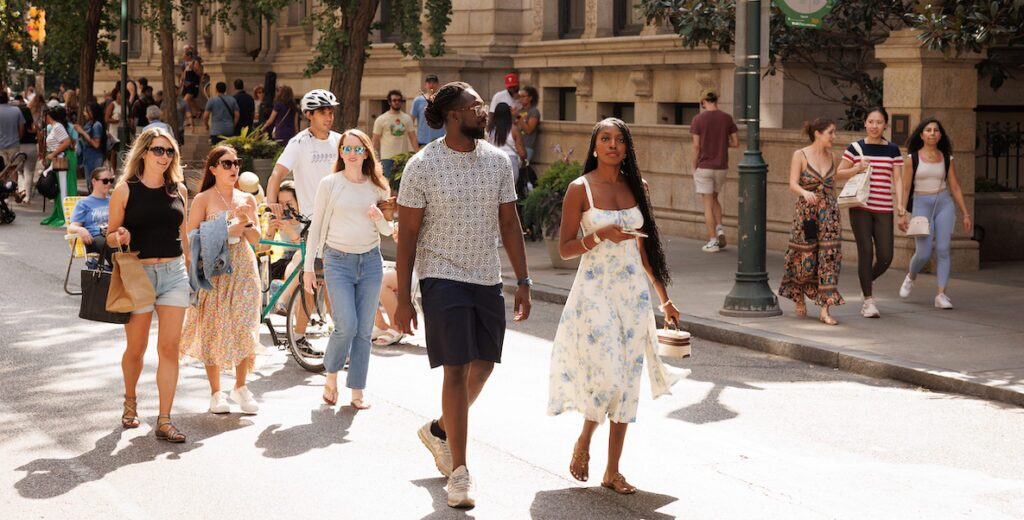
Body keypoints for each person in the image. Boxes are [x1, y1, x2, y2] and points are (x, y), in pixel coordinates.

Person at [394, 81, 531, 509]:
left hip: (485, 277)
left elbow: (509, 225)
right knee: (454, 368)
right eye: (476, 106)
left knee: (484, 365)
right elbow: (408, 235)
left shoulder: (497, 162)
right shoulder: (422, 166)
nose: (484, 111)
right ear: (454, 117)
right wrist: (402, 296)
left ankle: (439, 429)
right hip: (440, 276)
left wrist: (523, 281)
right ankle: (460, 473)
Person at [548, 118, 682, 495]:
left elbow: (644, 251)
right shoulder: (580, 189)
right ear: (594, 146)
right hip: (594, 294)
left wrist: (665, 299)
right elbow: (565, 248)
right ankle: (584, 438)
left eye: (619, 140)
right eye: (605, 139)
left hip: (633, 297)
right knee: (608, 372)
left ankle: (612, 471)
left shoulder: (637, 187)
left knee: (626, 383)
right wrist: (599, 236)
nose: (612, 145)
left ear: (626, 148)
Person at [105, 127, 191, 443]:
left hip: (173, 275)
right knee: (137, 348)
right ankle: (130, 402)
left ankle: (165, 420)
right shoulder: (125, 190)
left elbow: (184, 236)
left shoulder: (179, 190)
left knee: (169, 348)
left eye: (169, 152)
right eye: (158, 150)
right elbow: (110, 235)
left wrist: (191, 270)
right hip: (138, 274)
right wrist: (120, 236)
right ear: (143, 152)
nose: (164, 157)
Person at [304, 129, 393, 409]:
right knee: (346, 325)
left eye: (357, 149)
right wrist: (308, 268)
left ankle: (357, 389)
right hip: (337, 261)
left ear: (366, 152)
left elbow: (387, 231)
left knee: (364, 331)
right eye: (346, 149)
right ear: (340, 152)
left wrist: (379, 218)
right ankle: (331, 376)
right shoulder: (330, 184)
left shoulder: (378, 187)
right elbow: (316, 227)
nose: (352, 154)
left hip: (370, 262)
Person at [181, 145, 262, 415]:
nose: (233, 168)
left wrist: (246, 221)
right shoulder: (203, 199)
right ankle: (216, 392)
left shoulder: (247, 199)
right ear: (213, 168)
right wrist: (227, 230)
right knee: (214, 327)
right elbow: (191, 239)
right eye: (226, 164)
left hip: (243, 266)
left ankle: (240, 387)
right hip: (214, 269)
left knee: (243, 324)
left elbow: (257, 241)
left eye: (236, 163)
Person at [266, 89, 342, 352]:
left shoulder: (341, 141)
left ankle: (332, 336)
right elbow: (276, 174)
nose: (329, 116)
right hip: (314, 223)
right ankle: (300, 337)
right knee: (317, 283)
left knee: (331, 283)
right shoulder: (299, 143)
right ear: (309, 115)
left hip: (341, 222)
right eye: (323, 112)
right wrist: (270, 202)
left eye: (331, 111)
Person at [778, 118, 849, 325]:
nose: (834, 137)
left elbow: (833, 185)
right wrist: (804, 192)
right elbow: (792, 184)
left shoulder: (833, 157)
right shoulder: (799, 155)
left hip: (830, 216)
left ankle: (825, 309)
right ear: (818, 133)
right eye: (831, 133)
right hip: (806, 215)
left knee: (829, 259)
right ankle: (798, 292)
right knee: (804, 257)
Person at [836, 107, 904, 318]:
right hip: (860, 207)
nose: (875, 126)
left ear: (885, 125)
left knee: (886, 256)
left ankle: (865, 278)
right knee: (866, 252)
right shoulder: (855, 148)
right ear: (865, 123)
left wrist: (901, 205)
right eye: (871, 121)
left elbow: (898, 179)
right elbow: (838, 174)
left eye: (879, 122)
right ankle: (868, 301)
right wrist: (857, 168)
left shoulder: (893, 149)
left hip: (884, 208)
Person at [898, 117, 972, 310]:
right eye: (928, 130)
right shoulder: (912, 159)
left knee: (943, 249)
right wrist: (901, 213)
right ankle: (911, 276)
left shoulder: (947, 158)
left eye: (936, 130)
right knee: (923, 253)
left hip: (943, 204)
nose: (932, 133)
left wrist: (965, 214)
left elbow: (955, 187)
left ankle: (941, 295)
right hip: (921, 205)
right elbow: (906, 188)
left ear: (940, 135)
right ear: (921, 135)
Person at [689, 88, 738, 253]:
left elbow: (696, 146)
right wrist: (722, 144)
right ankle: (720, 229)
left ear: (703, 101)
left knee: (707, 205)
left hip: (705, 167)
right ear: (716, 100)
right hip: (721, 167)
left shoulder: (698, 120)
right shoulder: (727, 118)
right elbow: (736, 142)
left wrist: (693, 165)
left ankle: (712, 241)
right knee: (715, 198)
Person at [67, 166, 115, 267]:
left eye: (111, 180)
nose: (109, 184)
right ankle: (120, 274)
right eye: (105, 181)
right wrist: (81, 230)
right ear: (94, 181)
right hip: (95, 238)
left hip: (113, 235)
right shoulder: (83, 203)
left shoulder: (113, 201)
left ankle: (118, 273)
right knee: (110, 245)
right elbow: (72, 227)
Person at [40, 106, 77, 228]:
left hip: (61, 159)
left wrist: (52, 154)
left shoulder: (57, 127)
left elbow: (67, 142)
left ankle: (66, 217)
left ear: (47, 116)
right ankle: (64, 215)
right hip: (58, 159)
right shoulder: (55, 127)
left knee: (64, 188)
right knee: (61, 188)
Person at [371, 89, 418, 179]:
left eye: (399, 100)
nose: (397, 102)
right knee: (387, 183)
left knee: (400, 184)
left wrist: (417, 154)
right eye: (394, 100)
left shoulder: (407, 118)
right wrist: (373, 157)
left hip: (402, 157)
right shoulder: (381, 119)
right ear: (389, 102)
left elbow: (413, 138)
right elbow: (375, 140)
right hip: (387, 157)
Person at [486, 102, 526, 184]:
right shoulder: (514, 130)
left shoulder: (489, 130)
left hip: (492, 162)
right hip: (510, 162)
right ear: (509, 114)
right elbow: (522, 154)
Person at [73, 102, 107, 180]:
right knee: (90, 182)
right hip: (88, 158)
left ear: (92, 112)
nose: (84, 113)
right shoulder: (89, 123)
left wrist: (82, 132)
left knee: (93, 183)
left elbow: (96, 144)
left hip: (94, 159)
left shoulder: (96, 125)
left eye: (86, 111)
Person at [16, 94, 39, 203]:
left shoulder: (18, 126)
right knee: (29, 172)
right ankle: (28, 197)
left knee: (19, 171)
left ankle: (22, 190)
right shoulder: (33, 125)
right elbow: (38, 134)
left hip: (19, 147)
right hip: (32, 147)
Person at [410, 75, 445, 147]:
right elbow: (411, 121)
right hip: (422, 140)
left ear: (438, 85)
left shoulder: (442, 100)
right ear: (425, 85)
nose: (431, 85)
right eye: (429, 82)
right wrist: (413, 141)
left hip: (440, 140)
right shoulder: (418, 100)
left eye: (434, 82)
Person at [515, 85, 541, 164]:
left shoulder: (534, 111)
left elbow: (529, 130)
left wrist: (518, 117)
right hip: (516, 146)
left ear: (530, 98)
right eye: (519, 97)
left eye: (523, 96)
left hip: (527, 146)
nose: (520, 99)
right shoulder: (519, 110)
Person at [0, 91, 23, 170]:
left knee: (2, 170)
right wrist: (18, 138)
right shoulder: (16, 110)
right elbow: (21, 128)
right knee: (13, 169)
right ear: (7, 99)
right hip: (14, 144)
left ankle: (3, 182)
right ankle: (13, 182)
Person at [179, 46, 204, 118]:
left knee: (185, 100)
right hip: (186, 85)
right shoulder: (185, 64)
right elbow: (184, 73)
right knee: (191, 100)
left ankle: (189, 116)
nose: (184, 58)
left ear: (189, 56)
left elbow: (200, 73)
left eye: (185, 57)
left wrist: (193, 68)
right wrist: (182, 80)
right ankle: (198, 111)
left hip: (193, 84)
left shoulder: (195, 62)